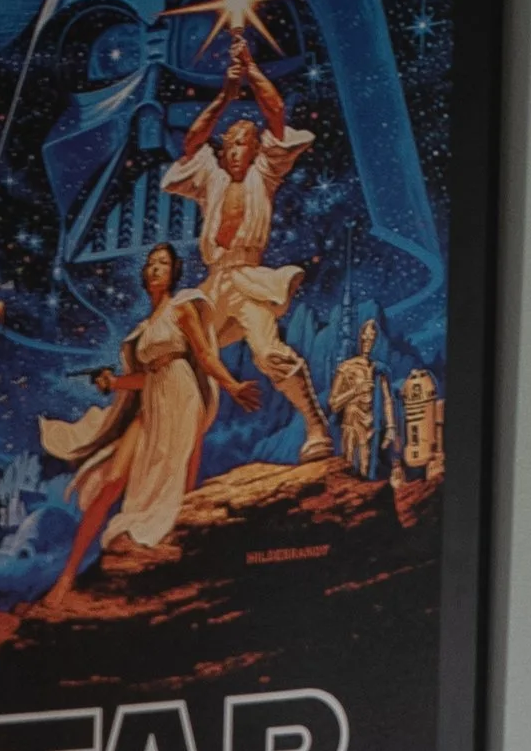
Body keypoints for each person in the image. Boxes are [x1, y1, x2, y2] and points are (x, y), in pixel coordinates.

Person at [39, 240, 257, 605]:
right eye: (152, 263)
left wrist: (232, 384)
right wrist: (114, 383)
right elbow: (145, 378)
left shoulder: (183, 307)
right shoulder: (141, 330)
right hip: (153, 399)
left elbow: (202, 354)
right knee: (111, 480)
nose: (156, 268)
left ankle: (180, 569)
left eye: (164, 263)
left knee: (179, 485)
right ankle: (67, 575)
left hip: (182, 397)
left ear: (174, 274)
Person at [162, 37, 333, 462]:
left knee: (267, 352)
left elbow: (275, 114)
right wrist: (225, 93)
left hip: (246, 279)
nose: (237, 149)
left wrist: (252, 70)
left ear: (257, 150)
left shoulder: (265, 173)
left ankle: (315, 427)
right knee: (177, 355)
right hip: (213, 282)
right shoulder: (210, 177)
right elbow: (192, 143)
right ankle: (172, 450)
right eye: (232, 144)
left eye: (245, 143)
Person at [329, 313, 398, 479]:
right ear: (359, 337)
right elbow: (333, 403)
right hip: (351, 422)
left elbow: (388, 399)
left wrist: (390, 427)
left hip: (370, 424)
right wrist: (356, 390)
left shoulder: (378, 369)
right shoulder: (346, 368)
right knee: (349, 465)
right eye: (365, 337)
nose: (368, 342)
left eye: (372, 338)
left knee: (367, 467)